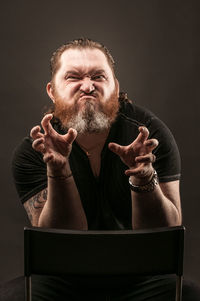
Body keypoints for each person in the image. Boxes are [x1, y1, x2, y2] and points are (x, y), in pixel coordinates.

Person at [3, 38, 200, 300]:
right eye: (73, 77)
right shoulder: (34, 150)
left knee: (188, 294)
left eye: (98, 76)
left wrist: (144, 180)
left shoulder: (149, 134)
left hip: (142, 278)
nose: (87, 86)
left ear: (115, 87)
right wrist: (58, 171)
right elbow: (58, 243)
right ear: (52, 90)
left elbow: (165, 236)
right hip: (60, 280)